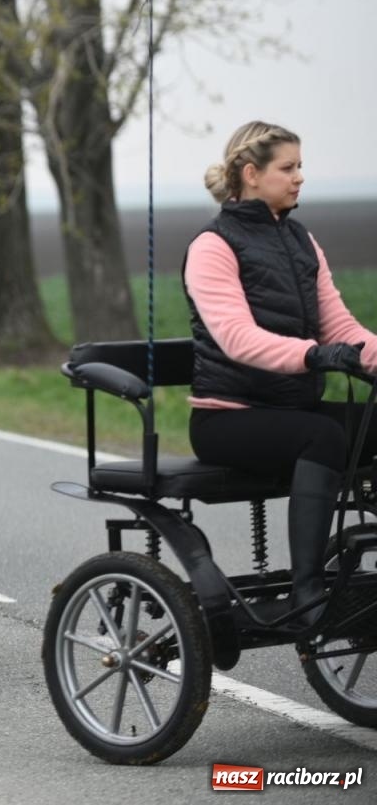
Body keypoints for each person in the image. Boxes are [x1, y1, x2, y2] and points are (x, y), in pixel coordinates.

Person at [183, 121, 376, 626]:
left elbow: (341, 327)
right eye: (288, 168)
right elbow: (236, 338)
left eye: (300, 167)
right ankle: (306, 592)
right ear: (252, 174)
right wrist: (314, 356)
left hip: (294, 408)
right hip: (229, 419)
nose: (299, 177)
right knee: (323, 436)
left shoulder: (301, 240)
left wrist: (362, 354)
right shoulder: (213, 245)